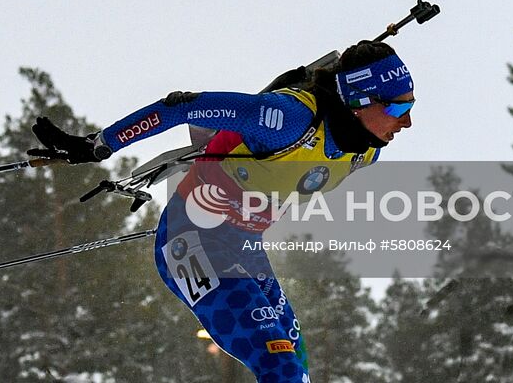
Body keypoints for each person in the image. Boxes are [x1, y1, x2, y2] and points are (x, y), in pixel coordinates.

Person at [28, 39, 415, 383]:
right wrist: (99, 145)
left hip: (244, 248)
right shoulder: (287, 119)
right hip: (190, 240)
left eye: (410, 106)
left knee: (296, 362)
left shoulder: (367, 150)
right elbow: (182, 107)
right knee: (279, 366)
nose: (408, 121)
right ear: (361, 99)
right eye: (399, 106)